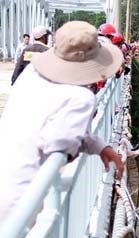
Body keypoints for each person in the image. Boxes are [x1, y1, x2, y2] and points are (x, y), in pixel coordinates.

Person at [0, 21, 124, 220]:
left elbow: (50, 126)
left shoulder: (32, 74)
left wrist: (98, 145)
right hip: (24, 201)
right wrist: (77, 146)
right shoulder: (81, 98)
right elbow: (58, 145)